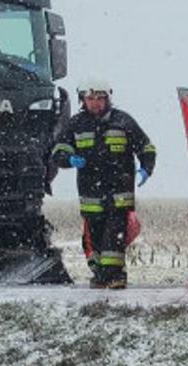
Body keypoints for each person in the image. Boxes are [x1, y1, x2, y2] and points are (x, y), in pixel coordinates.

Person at [49, 77, 155, 290]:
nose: (95, 102)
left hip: (119, 194)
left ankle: (116, 276)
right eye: (90, 98)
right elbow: (58, 151)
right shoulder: (75, 124)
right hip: (91, 196)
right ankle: (99, 275)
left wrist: (146, 168)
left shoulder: (123, 121)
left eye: (100, 98)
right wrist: (68, 159)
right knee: (93, 240)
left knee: (114, 239)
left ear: (108, 98)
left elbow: (146, 147)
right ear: (83, 100)